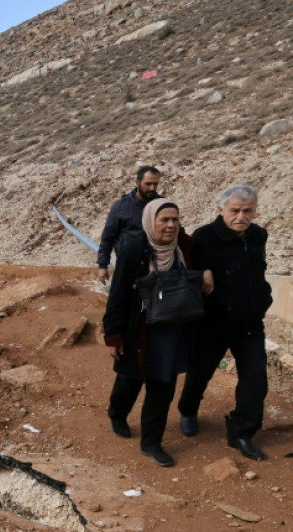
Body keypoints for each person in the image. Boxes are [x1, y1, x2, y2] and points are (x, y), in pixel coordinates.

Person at [177, 185, 272, 461]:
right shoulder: (204, 237)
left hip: (250, 323)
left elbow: (258, 272)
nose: (241, 216)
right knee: (200, 373)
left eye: (247, 211)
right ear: (221, 209)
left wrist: (262, 300)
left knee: (256, 382)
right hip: (213, 323)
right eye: (235, 210)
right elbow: (194, 276)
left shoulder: (258, 236)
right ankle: (188, 409)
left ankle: (241, 432)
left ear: (255, 211)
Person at [103, 198, 193, 467]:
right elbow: (117, 294)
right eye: (164, 219)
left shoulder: (186, 247)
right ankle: (117, 414)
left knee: (163, 388)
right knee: (129, 381)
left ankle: (151, 442)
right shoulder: (133, 249)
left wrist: (207, 274)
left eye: (175, 219)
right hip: (137, 330)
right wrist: (113, 335)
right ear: (150, 221)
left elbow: (200, 273)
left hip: (171, 332)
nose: (170, 225)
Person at [97, 166, 162, 284]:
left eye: (155, 184)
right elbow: (108, 237)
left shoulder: (163, 205)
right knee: (119, 302)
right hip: (127, 266)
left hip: (157, 266)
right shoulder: (121, 206)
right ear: (137, 182)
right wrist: (102, 265)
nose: (152, 188)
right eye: (148, 184)